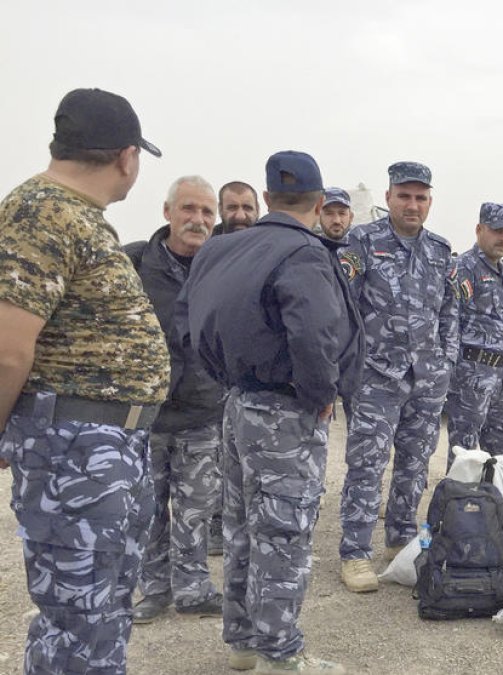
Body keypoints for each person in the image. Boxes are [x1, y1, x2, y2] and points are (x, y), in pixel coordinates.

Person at [0, 87, 168, 674]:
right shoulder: (41, 212)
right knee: (80, 621)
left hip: (103, 448)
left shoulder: (73, 215)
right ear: (126, 156)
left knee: (99, 616)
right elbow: (7, 346)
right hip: (74, 451)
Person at [176, 151, 363, 673]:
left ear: (267, 197)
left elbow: (187, 324)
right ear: (320, 200)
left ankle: (242, 642)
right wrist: (321, 393)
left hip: (237, 404)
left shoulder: (223, 250)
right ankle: (281, 655)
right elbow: (313, 336)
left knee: (240, 526)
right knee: (283, 532)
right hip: (285, 412)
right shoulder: (303, 253)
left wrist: (228, 377)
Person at [336, 161, 457, 593]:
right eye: (404, 196)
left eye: (420, 197)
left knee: (414, 465)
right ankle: (354, 553)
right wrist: (346, 369)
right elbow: (341, 309)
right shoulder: (361, 242)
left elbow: (450, 314)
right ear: (387, 198)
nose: (412, 204)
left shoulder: (441, 252)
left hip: (426, 379)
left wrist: (446, 362)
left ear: (429, 202)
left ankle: (402, 538)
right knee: (366, 466)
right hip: (376, 378)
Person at [126, 176, 226, 624]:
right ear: (167, 212)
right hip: (145, 414)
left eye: (207, 212)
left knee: (196, 507)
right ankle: (154, 589)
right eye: (189, 209)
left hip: (204, 412)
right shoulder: (134, 263)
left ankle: (193, 587)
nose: (198, 220)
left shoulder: (221, 267)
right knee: (147, 506)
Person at [445, 203, 503, 469]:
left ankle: (498, 505)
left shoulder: (501, 271)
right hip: (471, 375)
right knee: (464, 452)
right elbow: (450, 322)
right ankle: (456, 508)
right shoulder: (464, 268)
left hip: (500, 375)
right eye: (497, 230)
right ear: (479, 229)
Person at [207, 180, 260, 555]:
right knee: (214, 458)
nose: (240, 215)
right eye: (232, 208)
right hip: (211, 376)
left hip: (253, 378)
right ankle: (217, 526)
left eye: (247, 207)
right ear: (221, 211)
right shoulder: (209, 253)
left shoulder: (268, 250)